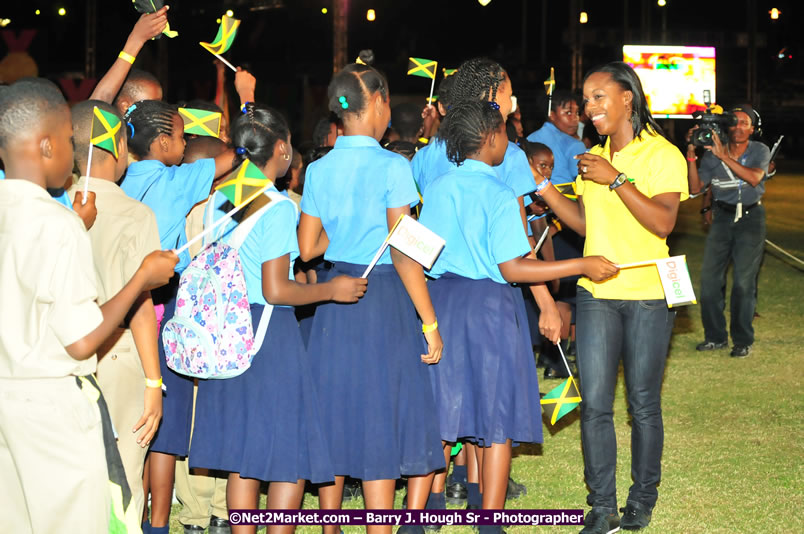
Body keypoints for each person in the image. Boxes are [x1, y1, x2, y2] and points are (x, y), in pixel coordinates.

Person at [418, 100, 618, 534]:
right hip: (490, 307)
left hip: (444, 302)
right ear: (491, 138)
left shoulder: (435, 188)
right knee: (497, 415)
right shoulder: (498, 193)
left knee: (444, 410)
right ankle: (489, 521)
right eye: (505, 134)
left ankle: (425, 516)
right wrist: (578, 266)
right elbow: (513, 266)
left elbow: (422, 256)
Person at [0, 77, 177, 534]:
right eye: (65, 140)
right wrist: (141, 278)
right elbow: (81, 341)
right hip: (53, 407)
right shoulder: (59, 226)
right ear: (45, 146)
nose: (73, 151)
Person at [190, 103, 368, 534]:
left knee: (243, 455)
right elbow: (276, 288)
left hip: (227, 329)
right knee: (289, 454)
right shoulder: (277, 206)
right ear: (283, 149)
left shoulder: (223, 199)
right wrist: (332, 290)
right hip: (268, 335)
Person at [537, 61, 688, 533]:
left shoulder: (662, 155)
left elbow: (663, 222)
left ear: (628, 98)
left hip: (646, 294)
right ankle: (600, 505)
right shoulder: (590, 158)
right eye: (586, 99)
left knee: (642, 403)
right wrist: (543, 187)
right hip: (596, 294)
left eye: (599, 96)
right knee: (597, 403)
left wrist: (617, 179)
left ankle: (641, 499)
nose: (589, 107)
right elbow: (586, 226)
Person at [297, 60, 445, 534]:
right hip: (381, 299)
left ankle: (329, 525)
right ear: (379, 103)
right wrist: (429, 321)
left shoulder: (319, 168)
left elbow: (306, 248)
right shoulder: (392, 166)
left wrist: (341, 238)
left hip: (336, 298)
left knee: (334, 409)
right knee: (379, 416)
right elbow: (403, 252)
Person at [412, 56, 560, 511]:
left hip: (438, 298)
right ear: (491, 96)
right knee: (493, 405)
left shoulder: (429, 156)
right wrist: (547, 302)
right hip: (493, 296)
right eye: (508, 90)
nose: (512, 100)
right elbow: (516, 247)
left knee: (444, 402)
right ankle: (484, 506)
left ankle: (431, 506)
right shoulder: (507, 158)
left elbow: (416, 243)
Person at [120, 96, 243, 534]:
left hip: (116, 307)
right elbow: (238, 154)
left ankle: (136, 515)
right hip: (167, 308)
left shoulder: (116, 180)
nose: (184, 141)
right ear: (161, 145)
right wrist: (245, 102)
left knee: (129, 417)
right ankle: (167, 520)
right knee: (169, 419)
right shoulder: (181, 183)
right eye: (178, 136)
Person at [67, 99, 165, 522]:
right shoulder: (135, 213)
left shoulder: (57, 206)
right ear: (120, 150)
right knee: (123, 475)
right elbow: (141, 304)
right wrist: (153, 381)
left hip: (66, 354)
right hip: (121, 353)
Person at [686, 105, 770, 358]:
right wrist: (691, 155)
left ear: (752, 129)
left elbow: (755, 178)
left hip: (750, 217)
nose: (739, 127)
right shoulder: (711, 155)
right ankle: (715, 337)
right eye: (734, 122)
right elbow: (695, 187)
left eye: (745, 123)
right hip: (722, 216)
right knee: (710, 281)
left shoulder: (759, 150)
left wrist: (724, 156)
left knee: (744, 284)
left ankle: (742, 340)